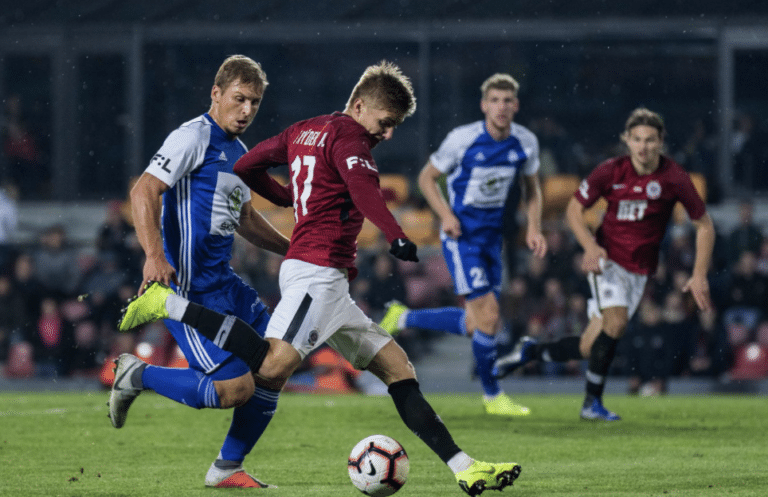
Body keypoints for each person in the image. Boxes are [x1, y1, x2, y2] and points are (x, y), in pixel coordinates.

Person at [119, 60, 521, 496]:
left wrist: (291, 209)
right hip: (282, 278)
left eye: (255, 101)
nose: (387, 134)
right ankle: (161, 325)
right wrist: (395, 234)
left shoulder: (299, 131)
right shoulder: (338, 136)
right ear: (360, 105)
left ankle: (465, 468)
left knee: (394, 369)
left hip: (306, 280)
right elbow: (364, 189)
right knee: (251, 378)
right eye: (385, 123)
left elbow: (248, 184)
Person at [108, 55, 292, 488]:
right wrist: (154, 255)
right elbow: (144, 190)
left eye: (255, 102)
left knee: (278, 363)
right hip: (188, 292)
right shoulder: (192, 137)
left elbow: (245, 220)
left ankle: (227, 469)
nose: (246, 110)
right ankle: (136, 374)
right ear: (216, 93)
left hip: (226, 284)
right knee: (235, 390)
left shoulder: (240, 154)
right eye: (239, 98)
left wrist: (295, 251)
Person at [494, 108, 716, 421]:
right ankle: (591, 404)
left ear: (660, 141)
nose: (643, 146)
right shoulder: (610, 171)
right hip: (608, 261)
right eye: (637, 139)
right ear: (626, 140)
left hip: (639, 271)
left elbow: (705, 225)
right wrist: (590, 246)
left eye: (650, 140)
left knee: (590, 346)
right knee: (617, 323)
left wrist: (699, 274)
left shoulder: (674, 177)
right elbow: (574, 209)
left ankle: (531, 352)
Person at [378, 73, 547, 417]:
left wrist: (534, 226)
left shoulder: (525, 141)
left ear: (516, 105)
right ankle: (492, 395)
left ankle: (403, 316)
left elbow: (532, 188)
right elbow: (426, 178)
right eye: (495, 100)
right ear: (484, 105)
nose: (501, 107)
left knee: (477, 323)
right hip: (462, 237)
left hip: (493, 239)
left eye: (507, 100)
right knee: (490, 316)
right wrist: (446, 216)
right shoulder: (463, 139)